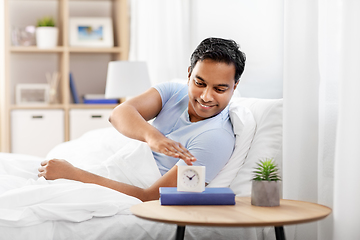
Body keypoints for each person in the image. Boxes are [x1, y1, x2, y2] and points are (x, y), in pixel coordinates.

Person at [38, 37, 246, 202]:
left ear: (234, 87)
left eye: (219, 89)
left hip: (126, 192)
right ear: (189, 74)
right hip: (109, 174)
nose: (205, 96)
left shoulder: (215, 139)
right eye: (200, 83)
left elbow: (150, 197)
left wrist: (74, 175)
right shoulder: (174, 92)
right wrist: (152, 136)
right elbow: (119, 113)